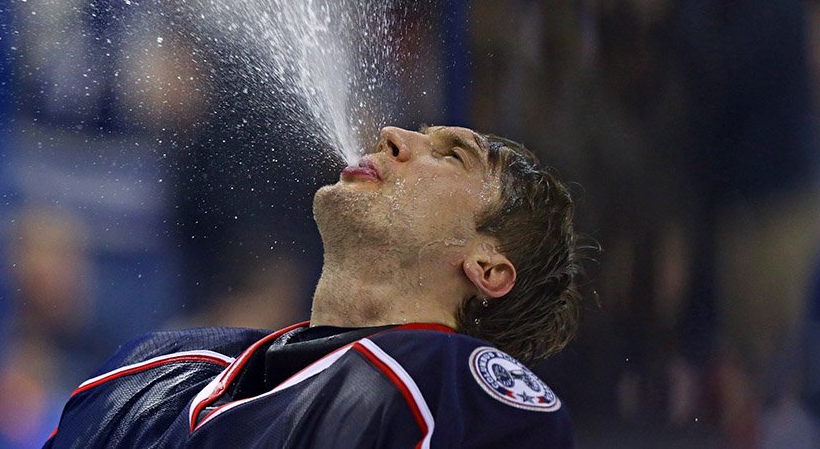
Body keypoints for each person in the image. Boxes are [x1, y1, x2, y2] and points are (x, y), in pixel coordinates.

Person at [44, 125, 584, 448]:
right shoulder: (152, 362)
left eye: (450, 155)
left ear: (488, 268)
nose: (392, 136)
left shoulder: (462, 393)